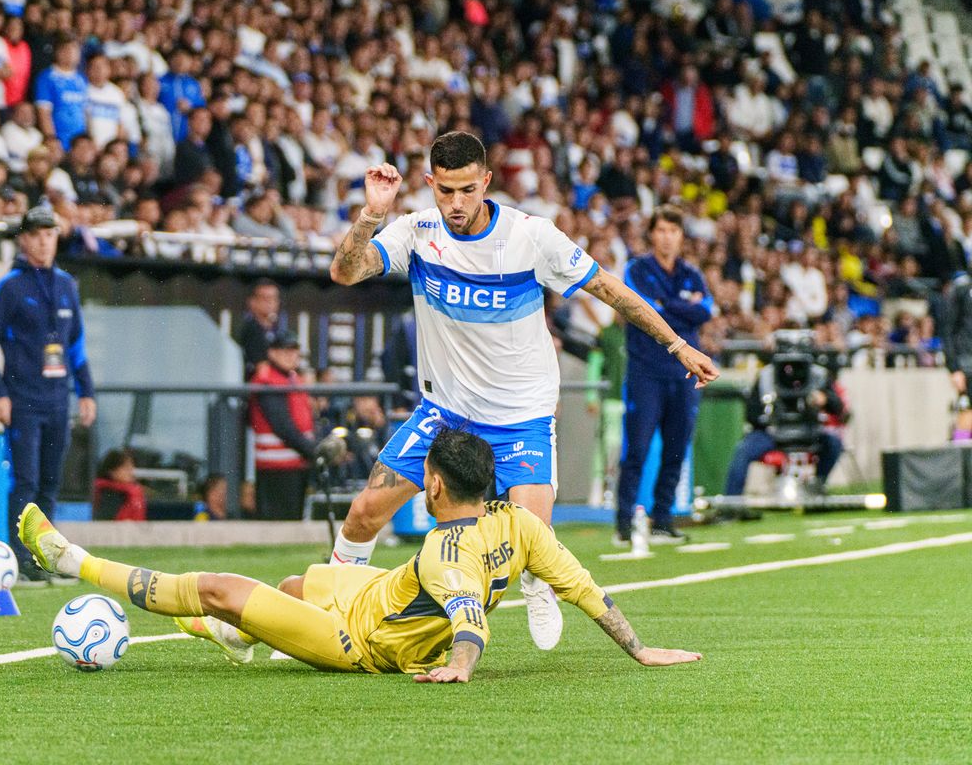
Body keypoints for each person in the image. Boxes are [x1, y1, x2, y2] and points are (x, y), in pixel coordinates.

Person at [326, 131, 717, 651]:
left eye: (467, 189)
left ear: (486, 181)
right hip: (445, 412)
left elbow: (611, 290)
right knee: (363, 513)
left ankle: (537, 583)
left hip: (520, 417)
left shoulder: (531, 236)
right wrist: (372, 214)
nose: (457, 203)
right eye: (446, 191)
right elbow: (344, 272)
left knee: (533, 537)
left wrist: (677, 345)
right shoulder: (414, 231)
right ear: (429, 184)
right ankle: (329, 605)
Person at [16, 428, 702, 681]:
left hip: (360, 639)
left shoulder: (441, 552)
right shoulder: (521, 524)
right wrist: (638, 648)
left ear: (432, 485)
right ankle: (237, 637)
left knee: (224, 586)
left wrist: (461, 668)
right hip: (374, 589)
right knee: (290, 582)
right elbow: (585, 590)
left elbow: (469, 623)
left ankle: (70, 559)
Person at [0, 203, 97, 581]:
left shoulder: (66, 285)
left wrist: (87, 392)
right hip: (23, 399)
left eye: (50, 235)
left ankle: (48, 557)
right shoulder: (9, 287)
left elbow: (75, 347)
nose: (44, 243)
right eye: (37, 236)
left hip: (58, 399)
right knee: (24, 480)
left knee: (50, 482)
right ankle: (19, 559)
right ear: (24, 240)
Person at [615, 206, 714, 546]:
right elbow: (641, 306)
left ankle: (662, 519)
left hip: (683, 374)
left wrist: (666, 305)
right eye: (661, 230)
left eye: (673, 230)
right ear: (652, 234)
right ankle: (624, 522)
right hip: (646, 372)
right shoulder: (637, 268)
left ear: (681, 236)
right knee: (637, 449)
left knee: (676, 449)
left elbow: (705, 311)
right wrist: (680, 308)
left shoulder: (692, 273)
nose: (667, 237)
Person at [723, 342, 845, 496]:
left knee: (833, 443)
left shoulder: (818, 375)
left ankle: (816, 488)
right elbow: (751, 412)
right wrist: (768, 417)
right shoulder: (766, 375)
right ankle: (732, 501)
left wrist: (825, 399)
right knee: (744, 449)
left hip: (808, 431)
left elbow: (838, 407)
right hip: (772, 432)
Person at [249, 330, 316, 520]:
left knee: (293, 522)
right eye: (285, 350)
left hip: (297, 464)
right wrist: (315, 451)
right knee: (278, 526)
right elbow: (283, 426)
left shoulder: (293, 379)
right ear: (272, 353)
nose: (291, 355)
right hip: (276, 468)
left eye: (294, 350)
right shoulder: (267, 380)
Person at [944, 270, 972, 441]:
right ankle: (961, 456)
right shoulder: (962, 290)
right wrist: (954, 367)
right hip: (967, 364)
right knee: (966, 412)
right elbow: (948, 330)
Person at [235, 278, 281, 377]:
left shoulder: (275, 330)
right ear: (252, 302)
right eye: (265, 298)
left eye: (273, 298)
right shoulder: (252, 329)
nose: (270, 303)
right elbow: (262, 370)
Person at [92, 449, 147, 521]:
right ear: (112, 471)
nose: (131, 471)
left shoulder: (128, 491)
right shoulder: (109, 494)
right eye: (126, 468)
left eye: (131, 467)